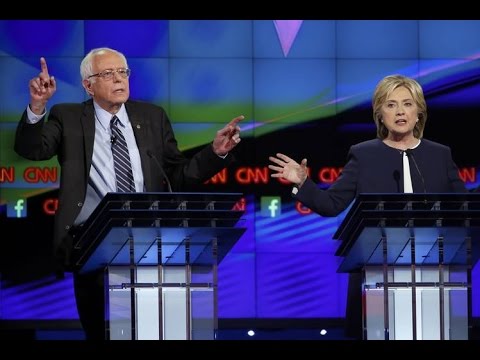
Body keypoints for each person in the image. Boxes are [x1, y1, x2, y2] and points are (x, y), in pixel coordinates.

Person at [14, 47, 244, 340]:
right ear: (88, 85)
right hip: (91, 238)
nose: (118, 79)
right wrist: (37, 106)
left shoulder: (152, 117)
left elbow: (177, 177)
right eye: (107, 74)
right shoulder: (68, 117)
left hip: (149, 236)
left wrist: (214, 153)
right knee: (100, 329)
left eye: (123, 72)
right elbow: (33, 150)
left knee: (151, 326)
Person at [268, 74, 467, 339]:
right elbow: (332, 204)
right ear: (380, 114)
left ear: (419, 112)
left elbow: (463, 210)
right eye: (391, 104)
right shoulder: (364, 154)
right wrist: (303, 183)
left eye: (407, 104)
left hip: (434, 271)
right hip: (376, 272)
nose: (399, 111)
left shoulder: (439, 154)